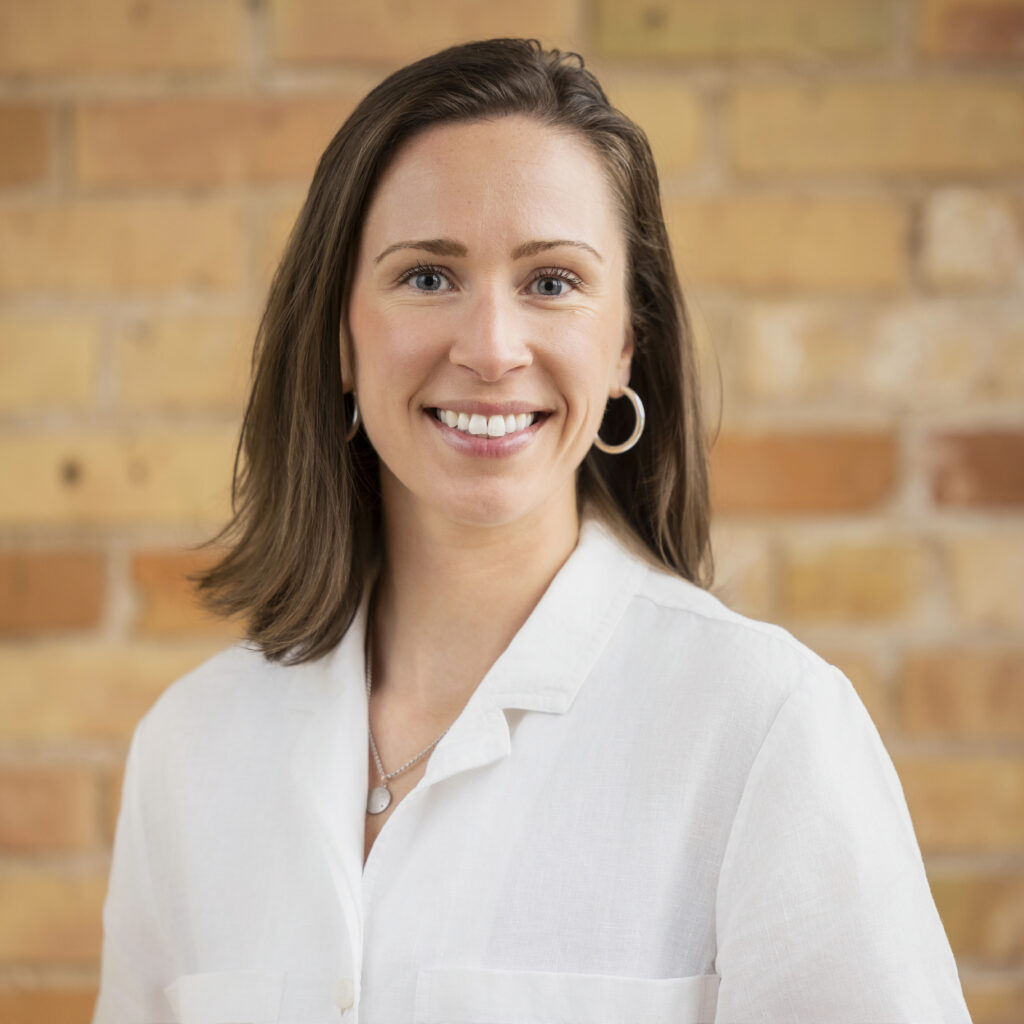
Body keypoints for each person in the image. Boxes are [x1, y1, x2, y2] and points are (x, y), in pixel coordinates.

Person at [93, 38, 971, 1024]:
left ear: (623, 345)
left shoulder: (764, 728)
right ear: (341, 333)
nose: (490, 349)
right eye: (428, 277)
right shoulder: (190, 747)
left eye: (551, 282)